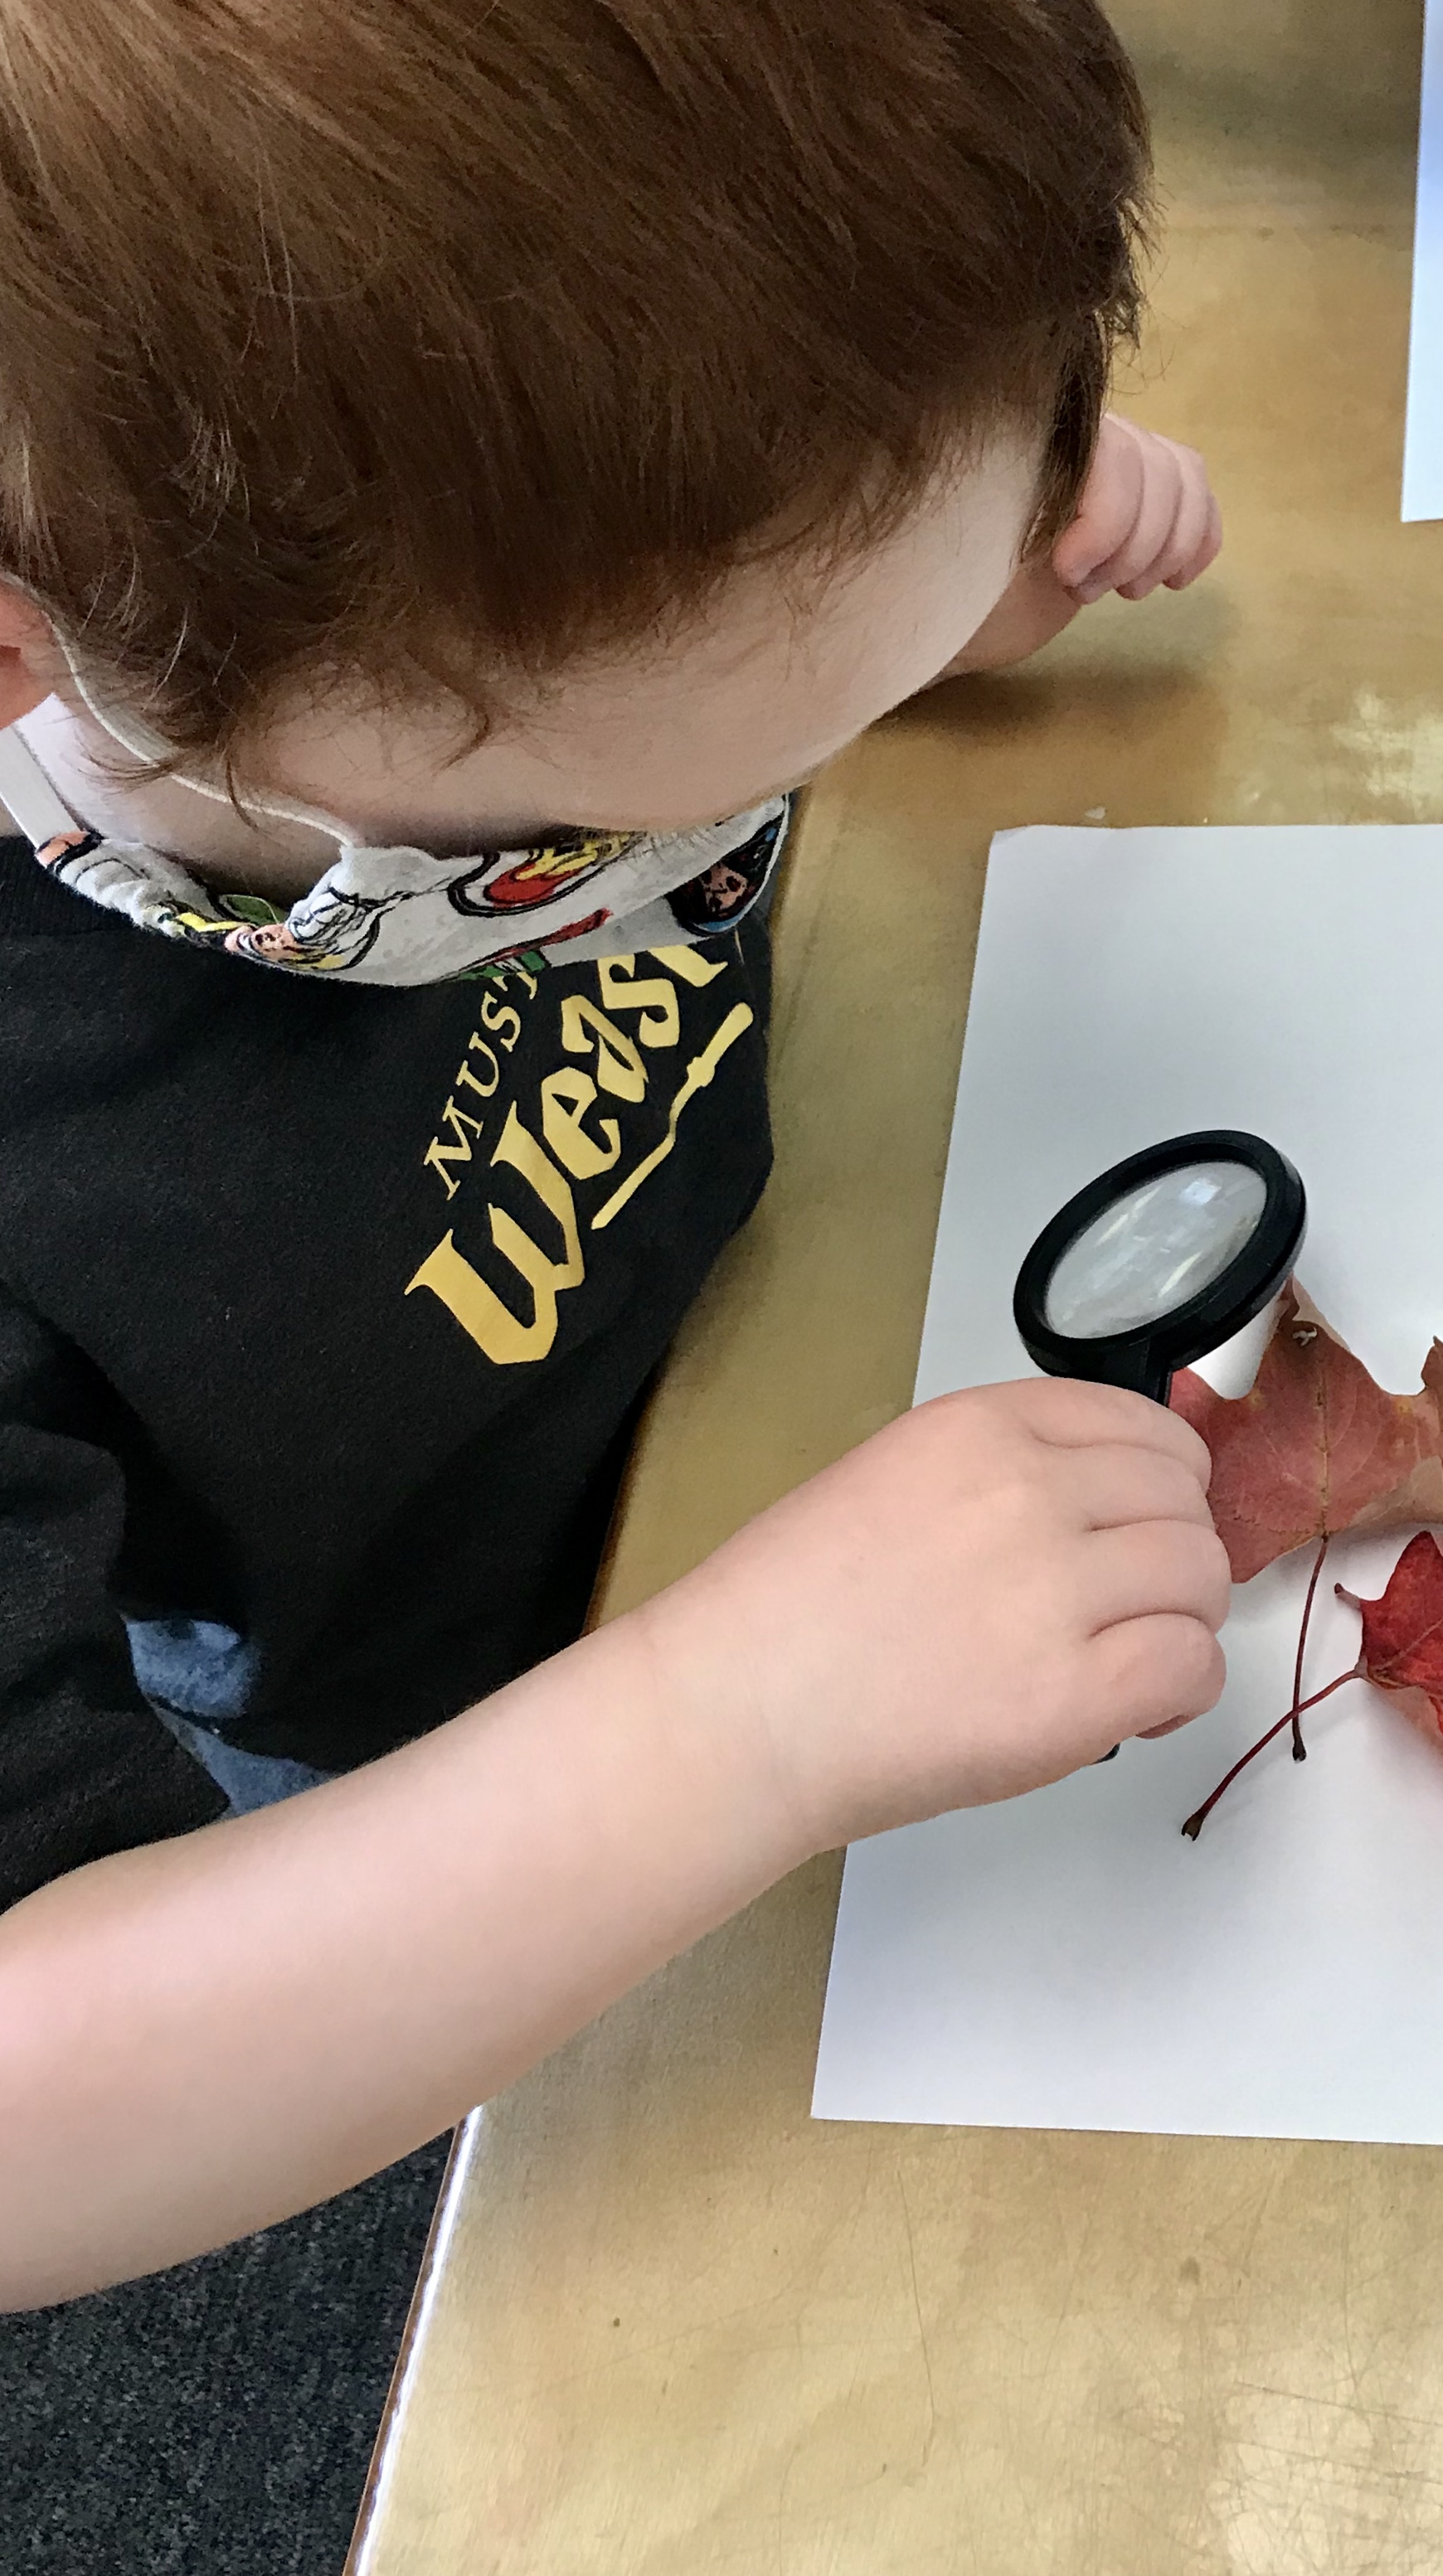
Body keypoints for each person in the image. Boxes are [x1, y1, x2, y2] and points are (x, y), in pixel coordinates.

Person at [0, 0, 1232, 2311]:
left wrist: (913, 565)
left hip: (767, 1422)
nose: (743, 821)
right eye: (618, 825)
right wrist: (727, 1724)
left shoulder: (406, 611)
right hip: (451, 1775)